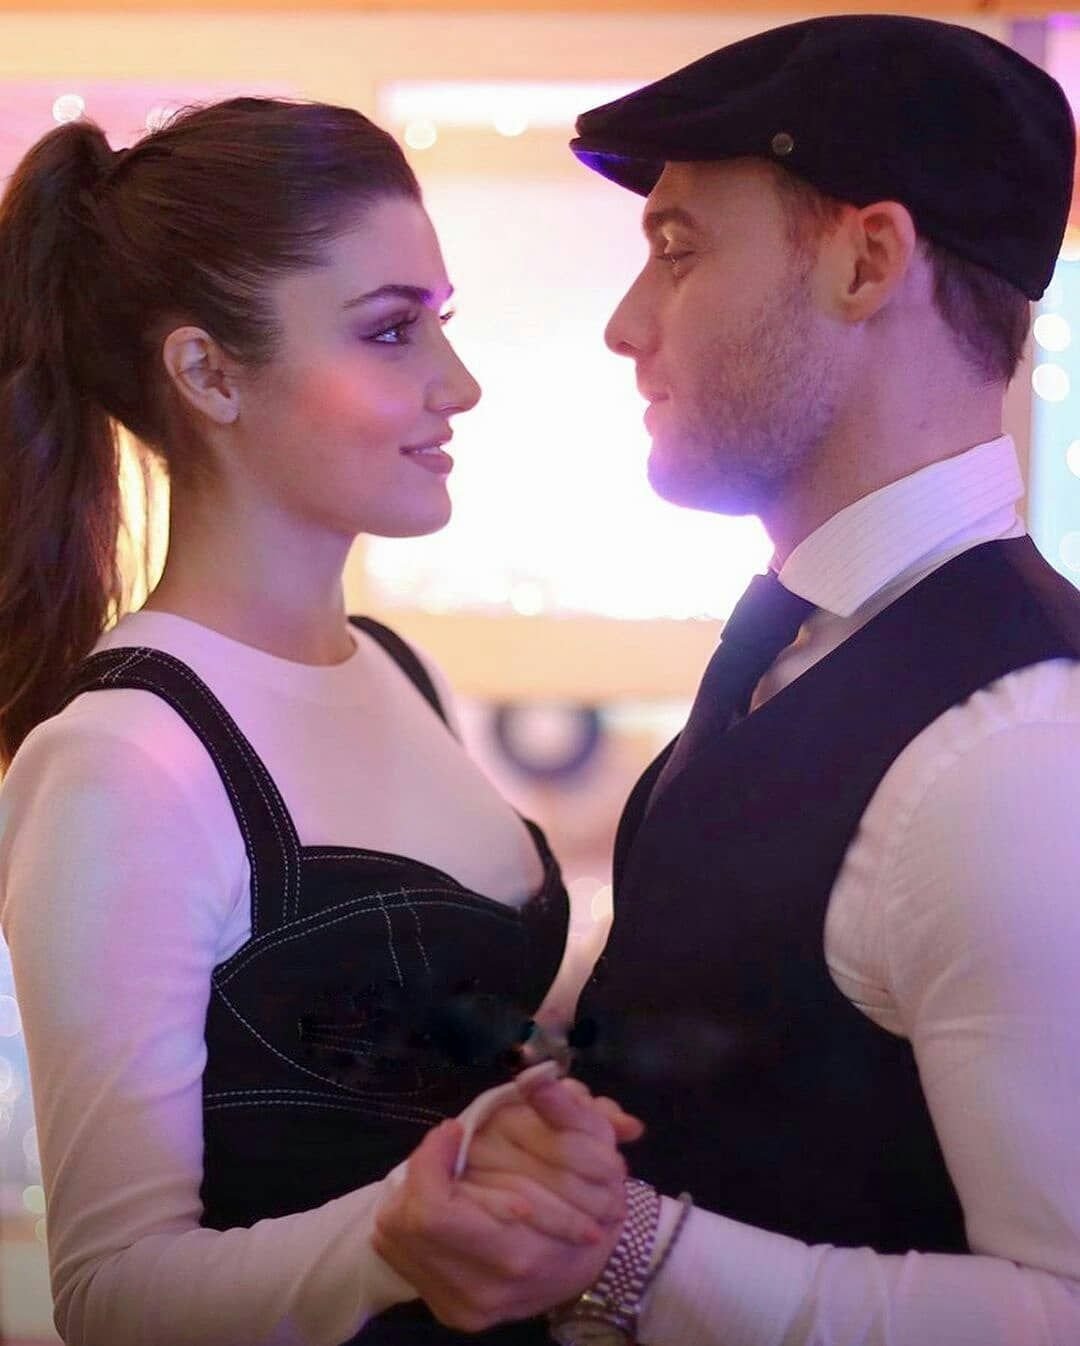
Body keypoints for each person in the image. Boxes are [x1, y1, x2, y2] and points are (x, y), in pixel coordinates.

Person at [373, 15, 1080, 1346]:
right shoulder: (798, 647)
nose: (625, 324)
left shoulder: (1017, 749)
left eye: (678, 248)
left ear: (867, 261)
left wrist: (622, 1255)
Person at [0, 97, 635, 1346]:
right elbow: (113, 1294)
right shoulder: (124, 758)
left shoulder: (403, 670)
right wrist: (396, 1236)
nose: (458, 383)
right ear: (208, 373)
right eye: (391, 329)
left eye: (442, 321)